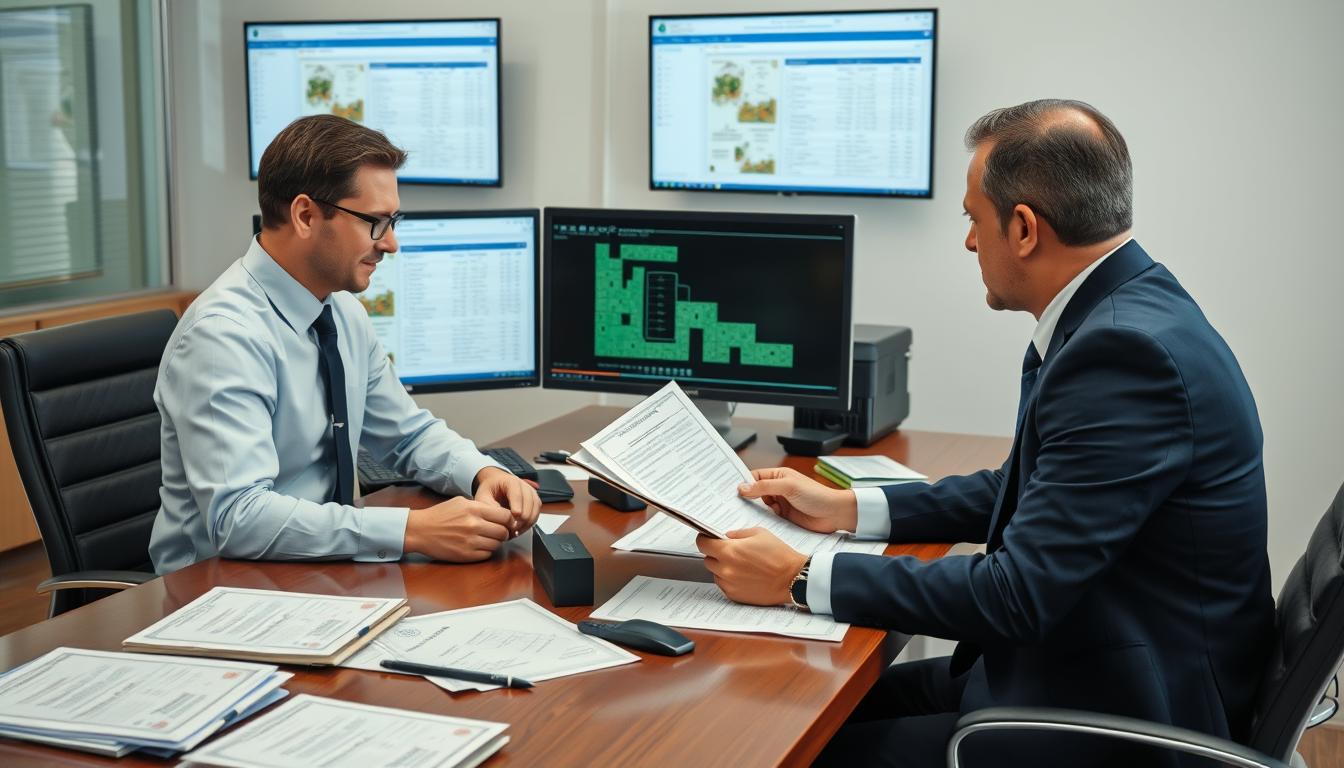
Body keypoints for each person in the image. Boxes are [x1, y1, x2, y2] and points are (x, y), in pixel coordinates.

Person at [696, 99, 1273, 767]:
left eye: (973, 219)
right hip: (1079, 663)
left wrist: (799, 577)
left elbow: (1015, 594)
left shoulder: (1122, 354)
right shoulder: (1131, 308)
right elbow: (1025, 489)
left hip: (1125, 715)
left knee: (797, 746)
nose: (970, 242)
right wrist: (850, 507)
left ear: (1024, 228)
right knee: (805, 706)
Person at [150, 114, 539, 574]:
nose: (390, 243)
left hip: (317, 570)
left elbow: (406, 434)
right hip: (219, 591)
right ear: (306, 215)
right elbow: (239, 518)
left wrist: (482, 472)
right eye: (375, 222)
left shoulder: (341, 312)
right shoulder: (222, 336)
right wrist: (411, 530)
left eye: (393, 221)